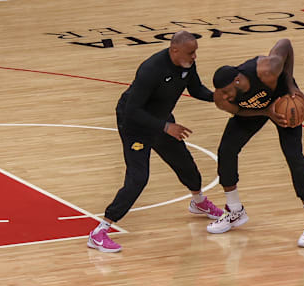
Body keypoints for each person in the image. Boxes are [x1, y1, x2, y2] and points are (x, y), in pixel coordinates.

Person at [88, 30, 223, 253]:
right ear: (174, 50)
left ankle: (198, 202)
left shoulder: (186, 64)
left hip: (160, 121)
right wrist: (166, 127)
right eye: (191, 52)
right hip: (134, 124)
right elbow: (132, 110)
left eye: (195, 52)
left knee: (185, 164)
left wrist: (215, 97)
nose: (194, 56)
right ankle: (100, 231)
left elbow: (196, 88)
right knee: (138, 178)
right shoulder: (151, 69)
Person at [206, 38, 304, 248]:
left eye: (226, 92)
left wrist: (290, 86)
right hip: (256, 109)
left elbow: (285, 44)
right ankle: (234, 211)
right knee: (227, 150)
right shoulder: (221, 99)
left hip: (283, 101)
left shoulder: (267, 69)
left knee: (293, 155)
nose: (223, 97)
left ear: (238, 81)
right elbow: (238, 110)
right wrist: (266, 112)